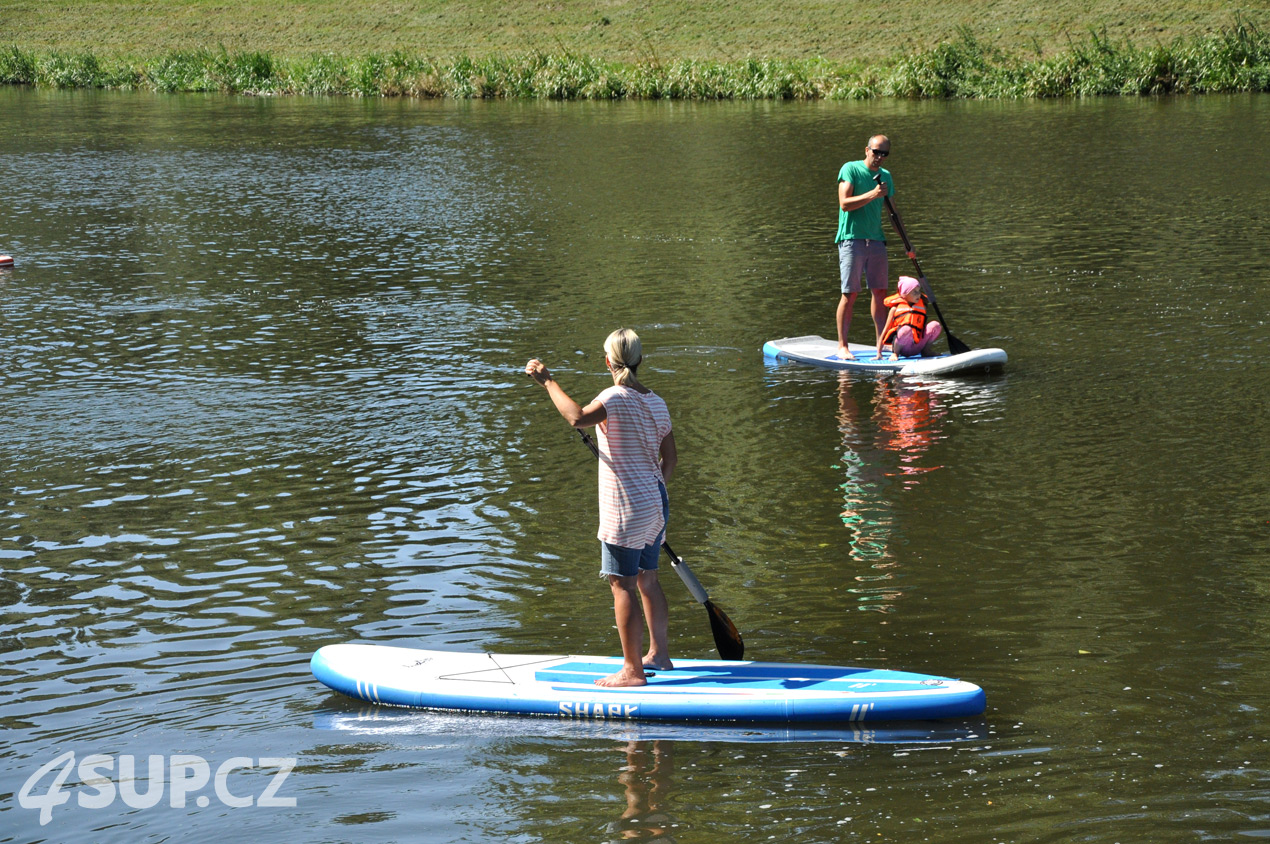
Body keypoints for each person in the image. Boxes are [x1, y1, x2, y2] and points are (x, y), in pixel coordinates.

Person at [525, 328, 677, 688]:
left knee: (621, 585)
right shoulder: (657, 402)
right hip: (656, 502)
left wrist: (548, 382)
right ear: (640, 360)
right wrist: (651, 489)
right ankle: (659, 655)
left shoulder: (613, 397)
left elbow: (577, 417)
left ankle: (632, 670)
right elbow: (669, 460)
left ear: (607, 362)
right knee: (649, 579)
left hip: (625, 509)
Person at [834, 134, 894, 360]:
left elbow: (893, 213)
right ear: (866, 150)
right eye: (876, 151)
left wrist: (909, 244)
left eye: (884, 154)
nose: (880, 157)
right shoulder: (850, 169)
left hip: (876, 240)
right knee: (850, 294)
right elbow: (844, 204)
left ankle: (882, 343)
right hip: (851, 239)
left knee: (880, 293)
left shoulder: (886, 176)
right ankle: (842, 346)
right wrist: (873, 194)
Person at [877, 275, 943, 359]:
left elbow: (922, 328)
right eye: (914, 292)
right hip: (903, 348)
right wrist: (879, 352)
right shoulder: (894, 309)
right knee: (906, 329)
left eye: (919, 291)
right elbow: (885, 331)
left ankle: (926, 351)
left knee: (935, 325)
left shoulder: (922, 306)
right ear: (904, 294)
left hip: (917, 345)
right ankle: (895, 353)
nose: (918, 294)